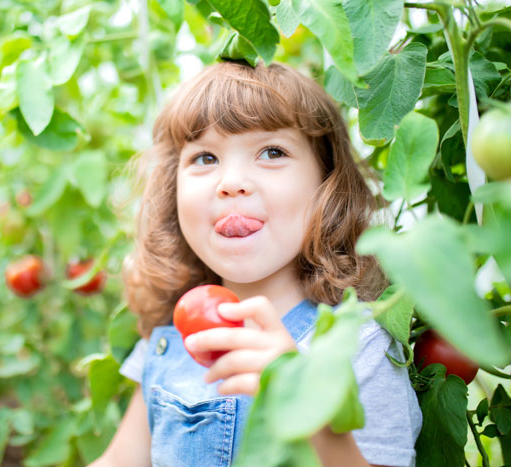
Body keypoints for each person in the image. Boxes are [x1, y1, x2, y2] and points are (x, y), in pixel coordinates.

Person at [89, 60, 422, 467]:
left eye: (271, 152)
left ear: (326, 183)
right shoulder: (167, 342)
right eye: (205, 158)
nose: (231, 182)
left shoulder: (359, 347)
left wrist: (312, 409)